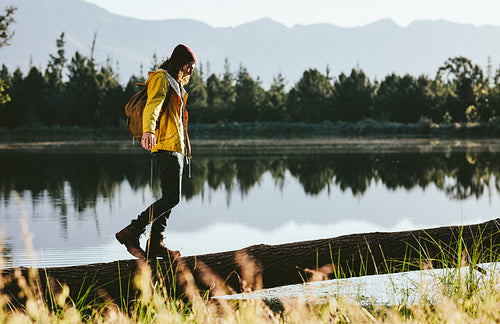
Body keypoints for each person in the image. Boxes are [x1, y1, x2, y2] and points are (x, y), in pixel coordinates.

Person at [115, 44, 196, 260]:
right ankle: (132, 231)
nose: (190, 71)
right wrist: (148, 130)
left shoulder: (175, 83)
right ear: (179, 63)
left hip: (176, 147)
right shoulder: (162, 78)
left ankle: (156, 243)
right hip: (165, 146)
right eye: (189, 66)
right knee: (172, 197)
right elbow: (154, 105)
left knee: (170, 197)